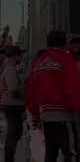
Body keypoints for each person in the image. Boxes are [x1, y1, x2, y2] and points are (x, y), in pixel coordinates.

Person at [27, 31, 80, 162]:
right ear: (64, 43)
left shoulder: (38, 62)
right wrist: (76, 109)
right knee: (70, 152)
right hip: (64, 114)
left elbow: (31, 89)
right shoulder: (66, 59)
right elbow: (72, 86)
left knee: (51, 152)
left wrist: (34, 114)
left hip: (45, 114)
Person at [0, 46, 25, 162]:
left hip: (12, 104)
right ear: (15, 56)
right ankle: (9, 158)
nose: (21, 57)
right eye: (20, 55)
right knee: (13, 133)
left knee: (15, 133)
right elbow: (13, 89)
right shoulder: (10, 69)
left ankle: (9, 157)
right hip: (13, 105)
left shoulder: (10, 68)